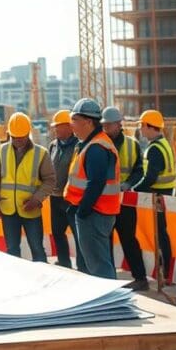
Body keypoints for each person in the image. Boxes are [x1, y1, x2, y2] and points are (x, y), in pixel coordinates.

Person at [64, 98, 121, 279]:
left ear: (88, 122)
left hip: (94, 213)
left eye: (75, 120)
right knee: (97, 263)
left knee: (99, 267)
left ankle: (110, 297)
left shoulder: (96, 147)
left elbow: (96, 183)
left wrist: (82, 211)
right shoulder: (93, 144)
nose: (71, 124)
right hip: (97, 212)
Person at [0, 112, 55, 262]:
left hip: (31, 210)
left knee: (37, 248)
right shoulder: (1, 151)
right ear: (9, 134)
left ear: (28, 133)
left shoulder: (41, 153)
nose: (18, 140)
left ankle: (41, 275)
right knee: (12, 249)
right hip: (8, 210)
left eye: (21, 137)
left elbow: (50, 180)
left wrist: (36, 200)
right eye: (14, 137)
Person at [100, 106, 148, 291]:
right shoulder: (99, 144)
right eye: (104, 125)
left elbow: (139, 171)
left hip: (125, 202)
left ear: (118, 125)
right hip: (104, 201)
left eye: (109, 125)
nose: (105, 128)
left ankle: (140, 278)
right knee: (105, 241)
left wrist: (128, 184)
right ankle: (109, 279)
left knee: (128, 240)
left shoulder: (131, 144)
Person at [138, 109, 176, 283]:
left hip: (159, 194)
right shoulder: (164, 143)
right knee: (161, 232)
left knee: (160, 233)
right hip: (164, 193)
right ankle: (165, 270)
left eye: (142, 125)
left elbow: (150, 178)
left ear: (149, 126)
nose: (140, 129)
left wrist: (134, 190)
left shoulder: (154, 149)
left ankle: (166, 271)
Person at [47, 109, 78, 269]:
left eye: (58, 126)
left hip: (71, 198)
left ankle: (83, 266)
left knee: (77, 233)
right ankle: (64, 261)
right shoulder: (53, 146)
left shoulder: (78, 146)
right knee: (57, 232)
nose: (55, 130)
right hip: (55, 196)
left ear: (69, 127)